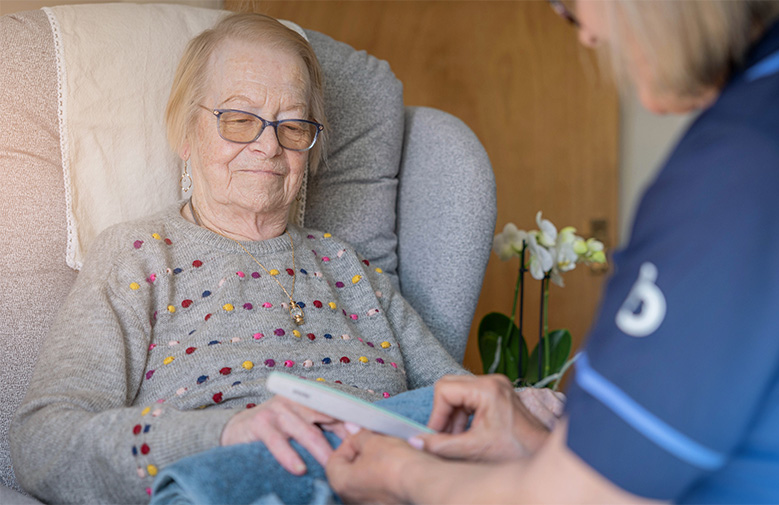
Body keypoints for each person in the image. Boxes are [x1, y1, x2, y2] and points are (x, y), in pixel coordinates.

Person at [325, 0, 779, 503]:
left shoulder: (748, 171)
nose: (585, 34)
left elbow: (580, 498)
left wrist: (404, 475)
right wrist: (548, 447)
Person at [8, 12, 555, 504]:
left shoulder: (348, 266)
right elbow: (43, 441)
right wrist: (224, 433)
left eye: (292, 126)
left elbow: (459, 399)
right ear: (186, 133)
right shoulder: (139, 257)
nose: (268, 147)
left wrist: (524, 407)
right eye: (239, 120)